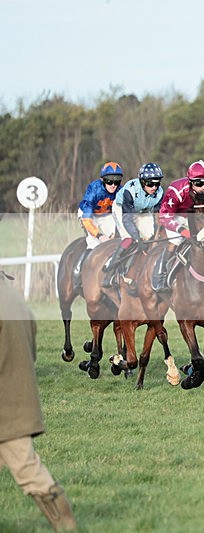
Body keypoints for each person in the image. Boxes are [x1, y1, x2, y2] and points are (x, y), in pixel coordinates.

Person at [0, 271, 78, 531]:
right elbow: (30, 354)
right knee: (29, 470)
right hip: (17, 403)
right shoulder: (14, 299)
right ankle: (66, 526)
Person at [153, 160, 204, 293]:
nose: (203, 187)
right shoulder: (176, 190)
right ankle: (160, 274)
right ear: (190, 182)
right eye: (198, 183)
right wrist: (181, 230)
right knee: (176, 241)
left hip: (197, 217)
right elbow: (164, 216)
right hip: (176, 216)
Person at [102, 162, 165, 289]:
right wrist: (137, 238)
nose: (154, 187)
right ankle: (110, 271)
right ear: (142, 182)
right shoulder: (130, 190)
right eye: (150, 183)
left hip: (142, 210)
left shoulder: (160, 192)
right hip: (123, 210)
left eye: (157, 183)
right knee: (129, 238)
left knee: (150, 236)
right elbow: (127, 220)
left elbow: (159, 215)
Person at [73, 161, 123, 285]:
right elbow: (87, 218)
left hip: (106, 215)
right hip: (88, 216)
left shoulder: (121, 191)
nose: (113, 185)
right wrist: (99, 235)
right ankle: (79, 270)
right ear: (102, 180)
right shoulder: (94, 189)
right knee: (94, 243)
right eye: (109, 181)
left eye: (116, 181)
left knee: (116, 240)